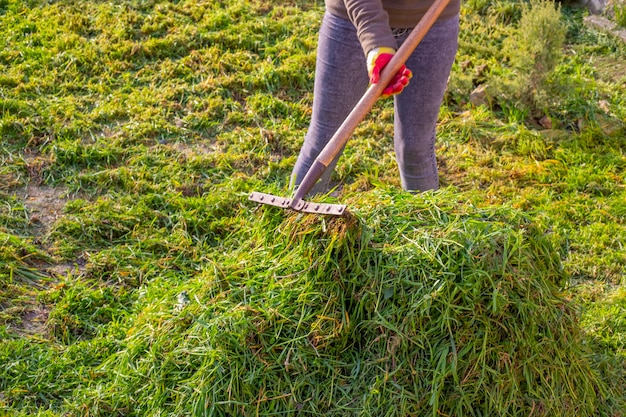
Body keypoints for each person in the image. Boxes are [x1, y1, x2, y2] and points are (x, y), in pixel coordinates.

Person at [290, 0, 461, 196]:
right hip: (353, 19)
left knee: (415, 148)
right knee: (324, 138)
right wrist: (375, 42)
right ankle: (295, 219)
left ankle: (424, 224)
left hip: (434, 20)